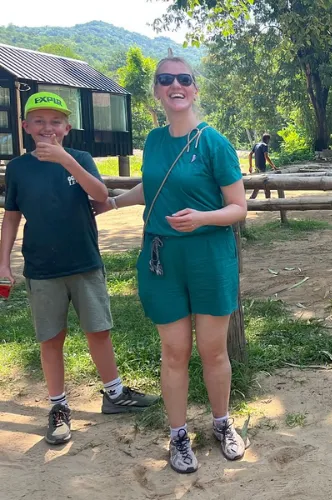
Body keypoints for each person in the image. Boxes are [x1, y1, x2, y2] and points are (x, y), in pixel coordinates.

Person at [93, 57, 249, 474]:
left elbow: (238, 207)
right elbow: (153, 185)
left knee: (213, 351)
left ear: (195, 89)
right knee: (174, 351)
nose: (175, 85)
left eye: (183, 79)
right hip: (162, 257)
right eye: (166, 80)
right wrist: (112, 203)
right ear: (157, 91)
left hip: (209, 256)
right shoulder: (155, 140)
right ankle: (178, 435)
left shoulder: (213, 142)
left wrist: (202, 218)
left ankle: (221, 424)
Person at [0, 91, 158, 446]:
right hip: (41, 268)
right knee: (50, 338)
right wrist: (3, 262)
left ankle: (114, 394)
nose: (47, 128)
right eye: (38, 121)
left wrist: (66, 161)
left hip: (85, 262)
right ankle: (58, 407)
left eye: (55, 122)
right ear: (25, 127)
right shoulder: (19, 169)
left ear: (67, 128)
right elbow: (11, 218)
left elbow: (100, 195)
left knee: (98, 330)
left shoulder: (81, 158)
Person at [248, 133, 276, 200]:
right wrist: (273, 166)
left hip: (257, 167)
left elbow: (250, 155)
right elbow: (266, 157)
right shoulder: (265, 145)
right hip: (262, 167)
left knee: (258, 184)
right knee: (265, 183)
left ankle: (252, 198)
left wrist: (250, 166)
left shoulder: (256, 145)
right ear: (267, 139)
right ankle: (268, 200)